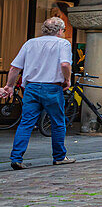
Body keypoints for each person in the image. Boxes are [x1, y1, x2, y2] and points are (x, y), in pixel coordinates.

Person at [1, 17, 74, 169]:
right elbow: (65, 64)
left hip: (31, 88)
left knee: (26, 123)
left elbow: (15, 67)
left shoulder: (30, 43)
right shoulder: (63, 43)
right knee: (58, 123)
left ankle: (16, 157)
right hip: (52, 88)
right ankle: (59, 157)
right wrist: (67, 79)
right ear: (60, 31)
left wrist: (9, 85)